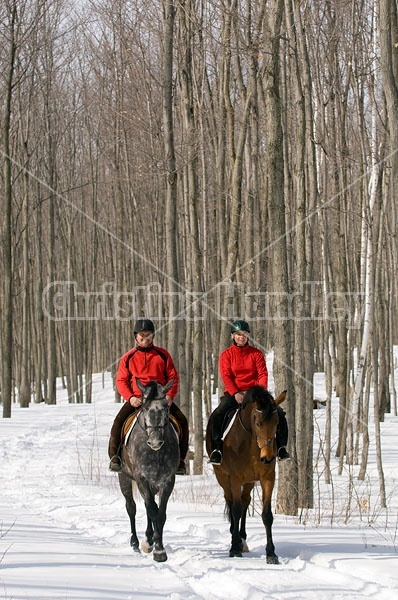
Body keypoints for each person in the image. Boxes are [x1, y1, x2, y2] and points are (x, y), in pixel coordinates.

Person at [108, 318, 189, 475]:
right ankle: (115, 457)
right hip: (138, 399)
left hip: (160, 399)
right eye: (142, 335)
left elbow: (173, 377)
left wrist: (170, 396)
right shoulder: (128, 357)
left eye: (149, 335)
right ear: (135, 337)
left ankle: (180, 461)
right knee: (118, 422)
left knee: (182, 421)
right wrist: (130, 397)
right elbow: (121, 380)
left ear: (153, 336)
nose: (145, 338)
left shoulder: (162, 355)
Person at [208, 319, 290, 465]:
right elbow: (226, 375)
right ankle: (216, 450)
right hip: (235, 393)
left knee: (278, 412)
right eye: (238, 334)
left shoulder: (256, 354)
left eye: (245, 334)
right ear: (233, 336)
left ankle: (282, 447)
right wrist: (235, 393)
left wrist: (260, 392)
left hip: (255, 393)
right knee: (218, 414)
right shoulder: (226, 355)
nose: (242, 337)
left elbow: (262, 374)